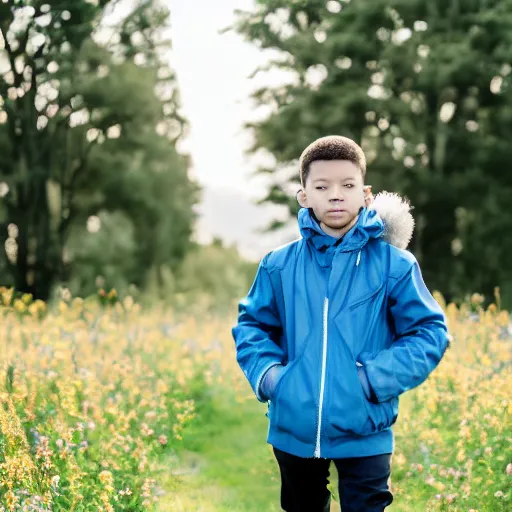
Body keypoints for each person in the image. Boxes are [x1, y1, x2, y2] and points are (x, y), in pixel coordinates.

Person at [232, 135, 450, 512]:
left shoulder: (394, 266)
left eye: (347, 185)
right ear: (304, 196)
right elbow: (253, 326)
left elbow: (430, 333)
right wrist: (271, 377)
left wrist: (372, 379)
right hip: (293, 430)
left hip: (366, 429)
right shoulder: (278, 265)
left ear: (365, 194)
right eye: (322, 186)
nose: (335, 195)